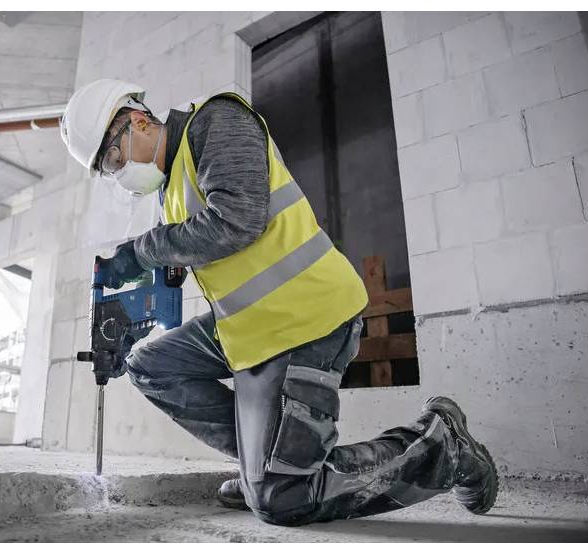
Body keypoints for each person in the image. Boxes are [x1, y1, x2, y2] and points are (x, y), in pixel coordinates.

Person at [59, 78, 498, 526]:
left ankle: (442, 445)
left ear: (136, 119)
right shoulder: (168, 190)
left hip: (306, 315)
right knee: (148, 365)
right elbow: (178, 263)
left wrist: (140, 250)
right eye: (107, 168)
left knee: (283, 500)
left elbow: (237, 221)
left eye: (113, 156)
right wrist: (133, 324)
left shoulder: (216, 121)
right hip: (251, 327)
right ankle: (264, 464)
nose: (117, 171)